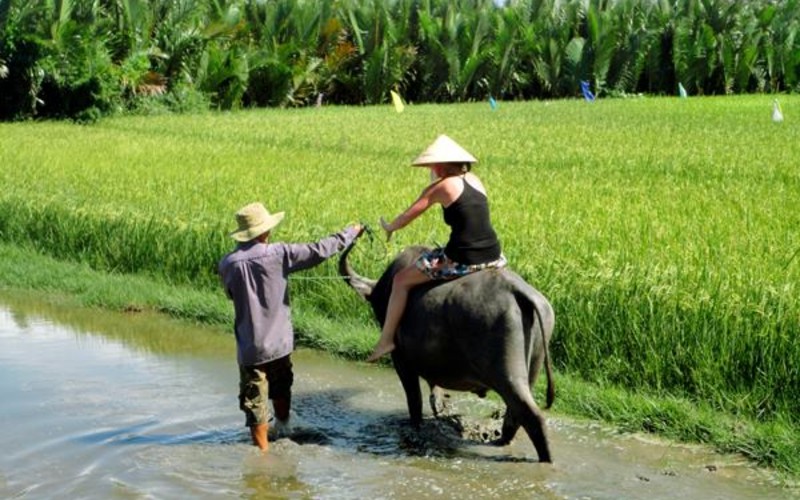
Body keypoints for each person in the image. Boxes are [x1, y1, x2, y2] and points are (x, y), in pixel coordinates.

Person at [218, 201, 363, 452]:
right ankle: (284, 428)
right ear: (265, 231)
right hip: (279, 343)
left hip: (251, 347)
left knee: (255, 401)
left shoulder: (228, 263)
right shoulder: (280, 253)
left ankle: (262, 455)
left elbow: (232, 295)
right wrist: (350, 233)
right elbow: (319, 250)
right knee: (281, 386)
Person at [367, 134, 506, 362]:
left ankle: (386, 340)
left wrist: (389, 227)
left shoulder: (440, 187)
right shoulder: (475, 180)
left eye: (432, 166)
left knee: (401, 279)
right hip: (493, 253)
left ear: (439, 165)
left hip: (464, 256)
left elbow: (407, 216)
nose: (430, 170)